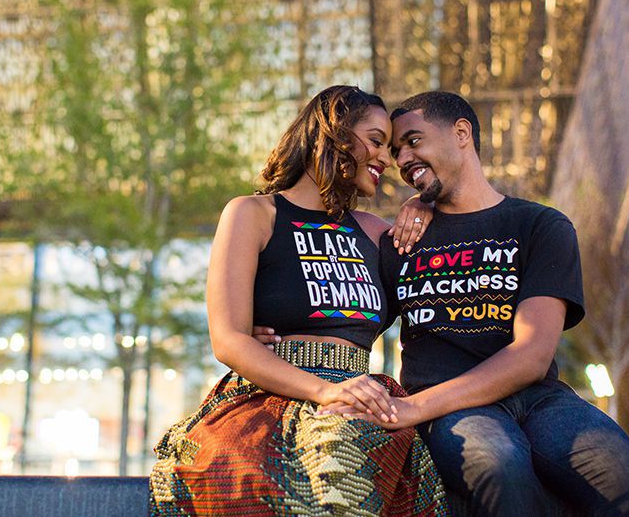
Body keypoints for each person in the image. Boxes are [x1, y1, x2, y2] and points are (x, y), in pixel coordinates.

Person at [321, 90, 629, 516]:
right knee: (500, 467)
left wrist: (410, 408)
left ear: (461, 133)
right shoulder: (400, 242)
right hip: (448, 405)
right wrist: (267, 334)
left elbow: (532, 356)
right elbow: (345, 313)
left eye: (413, 141)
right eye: (395, 150)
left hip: (539, 401)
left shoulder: (539, 225)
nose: (402, 159)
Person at [149, 86, 448, 516]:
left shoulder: (378, 233)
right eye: (377, 141)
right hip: (266, 398)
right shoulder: (253, 214)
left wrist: (426, 206)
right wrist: (325, 391)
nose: (388, 159)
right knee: (230, 473)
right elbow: (229, 341)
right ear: (334, 134)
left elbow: (451, 278)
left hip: (361, 399)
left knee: (347, 457)